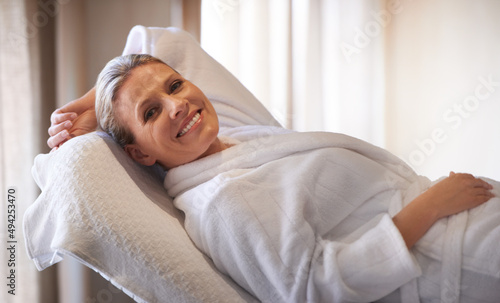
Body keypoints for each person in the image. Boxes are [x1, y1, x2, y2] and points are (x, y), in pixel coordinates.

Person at [48, 54, 499, 303]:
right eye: (150, 112)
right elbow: (311, 290)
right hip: (454, 261)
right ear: (139, 152)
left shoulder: (232, 134)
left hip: (468, 221)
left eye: (174, 85)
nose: (177, 105)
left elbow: (164, 37)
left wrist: (94, 99)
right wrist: (431, 207)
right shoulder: (222, 203)